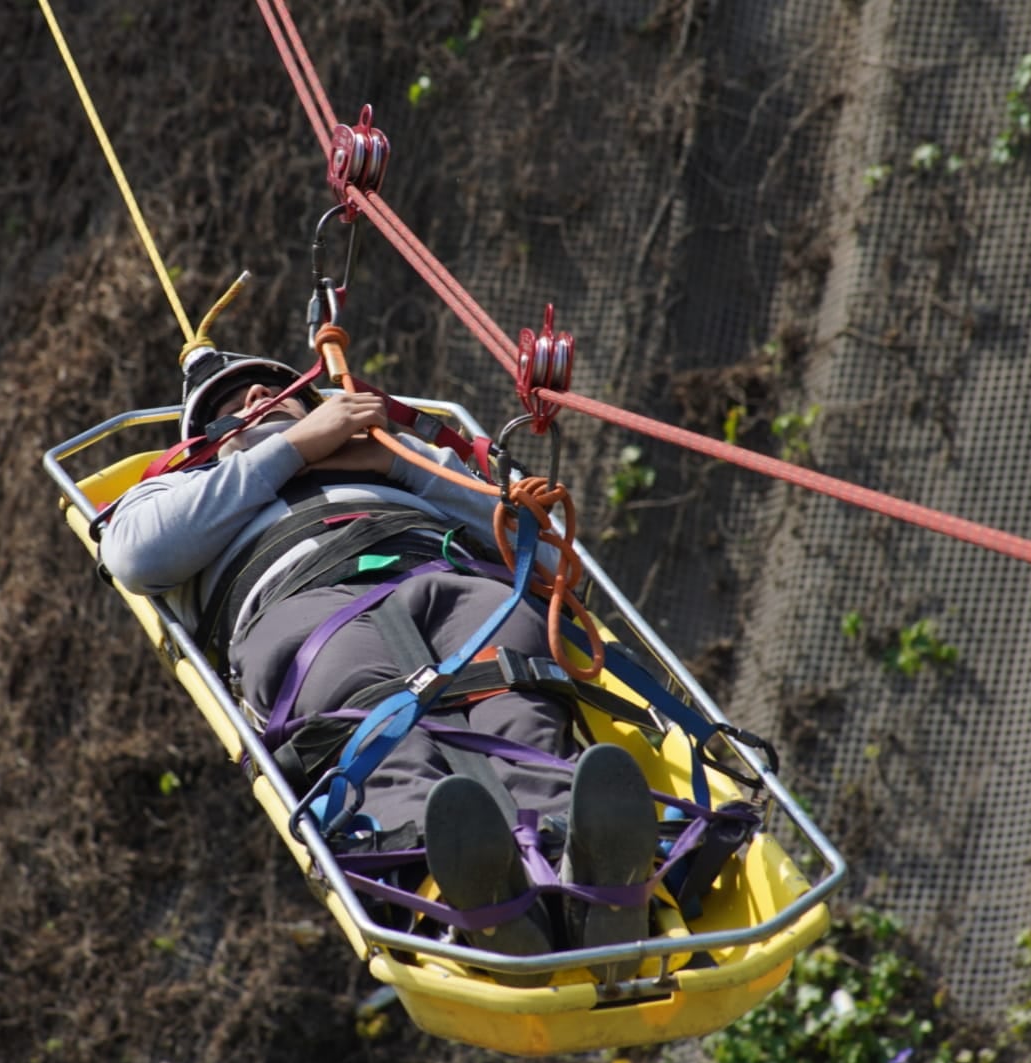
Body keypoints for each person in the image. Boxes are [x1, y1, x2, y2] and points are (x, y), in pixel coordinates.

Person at [101, 347, 659, 984]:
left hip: (443, 575)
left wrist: (404, 465)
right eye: (231, 407)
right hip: (304, 608)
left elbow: (553, 560)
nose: (257, 399)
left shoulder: (395, 454)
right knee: (369, 720)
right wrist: (294, 448)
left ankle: (577, 864)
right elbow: (140, 556)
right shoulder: (180, 489)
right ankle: (456, 886)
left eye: (273, 389)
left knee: (509, 689)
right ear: (203, 442)